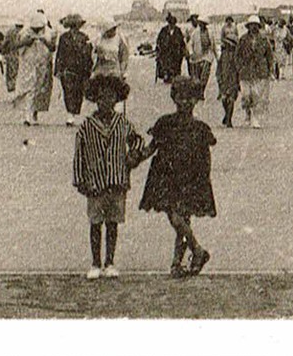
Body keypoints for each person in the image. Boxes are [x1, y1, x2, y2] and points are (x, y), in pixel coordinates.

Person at [140, 75, 217, 278]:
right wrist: (133, 159)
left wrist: (203, 180)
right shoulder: (164, 123)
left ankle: (178, 262)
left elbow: (205, 157)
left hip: (191, 177)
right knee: (176, 217)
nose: (186, 102)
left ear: (196, 100)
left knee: (181, 219)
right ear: (174, 98)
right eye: (181, 97)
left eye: (190, 98)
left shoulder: (200, 128)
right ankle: (196, 251)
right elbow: (151, 148)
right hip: (166, 177)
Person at [73, 72, 147, 279]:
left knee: (112, 223)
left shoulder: (123, 123)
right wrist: (80, 180)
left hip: (117, 180)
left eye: (111, 97)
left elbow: (137, 140)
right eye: (102, 97)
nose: (106, 101)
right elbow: (79, 154)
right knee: (95, 223)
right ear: (95, 99)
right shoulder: (86, 126)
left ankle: (110, 261)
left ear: (117, 99)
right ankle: (95, 263)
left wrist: (134, 156)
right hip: (95, 182)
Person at [12, 13, 57, 126]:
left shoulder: (50, 32)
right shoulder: (24, 32)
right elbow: (16, 46)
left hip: (42, 64)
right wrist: (26, 42)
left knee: (39, 89)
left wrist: (45, 42)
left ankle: (34, 113)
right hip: (28, 64)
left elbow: (53, 48)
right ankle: (27, 115)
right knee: (28, 89)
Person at [55, 14, 94, 125]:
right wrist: (58, 69)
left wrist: (89, 68)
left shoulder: (84, 37)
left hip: (81, 68)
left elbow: (88, 54)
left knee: (78, 92)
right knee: (68, 91)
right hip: (68, 68)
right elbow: (60, 54)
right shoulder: (63, 37)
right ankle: (70, 115)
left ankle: (73, 113)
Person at [236, 15, 274, 129]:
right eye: (251, 26)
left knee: (257, 95)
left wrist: (270, 69)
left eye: (256, 26)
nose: (254, 28)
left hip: (260, 70)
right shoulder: (243, 39)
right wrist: (239, 67)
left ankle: (255, 118)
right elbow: (237, 55)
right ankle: (247, 114)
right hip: (245, 71)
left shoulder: (263, 39)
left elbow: (269, 55)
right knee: (246, 94)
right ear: (249, 27)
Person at [215, 17, 242, 127]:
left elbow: (240, 67)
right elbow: (219, 68)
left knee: (230, 99)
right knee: (225, 100)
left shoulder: (236, 56)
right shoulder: (223, 55)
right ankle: (227, 115)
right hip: (224, 78)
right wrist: (219, 78)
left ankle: (229, 119)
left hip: (232, 79)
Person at [185, 15, 215, 97]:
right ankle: (197, 91)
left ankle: (202, 91)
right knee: (197, 76)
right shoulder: (195, 33)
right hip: (196, 57)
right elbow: (190, 44)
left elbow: (213, 45)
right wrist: (191, 53)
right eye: (201, 24)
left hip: (207, 56)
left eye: (204, 24)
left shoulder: (210, 33)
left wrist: (216, 56)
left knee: (205, 75)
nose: (202, 25)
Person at [155, 13, 187, 85]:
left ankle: (175, 77)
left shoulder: (178, 31)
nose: (172, 25)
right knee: (166, 65)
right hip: (166, 52)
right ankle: (167, 76)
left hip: (176, 53)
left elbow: (182, 42)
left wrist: (183, 50)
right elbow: (159, 40)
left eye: (173, 24)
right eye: (170, 23)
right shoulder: (163, 30)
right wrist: (158, 50)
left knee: (176, 66)